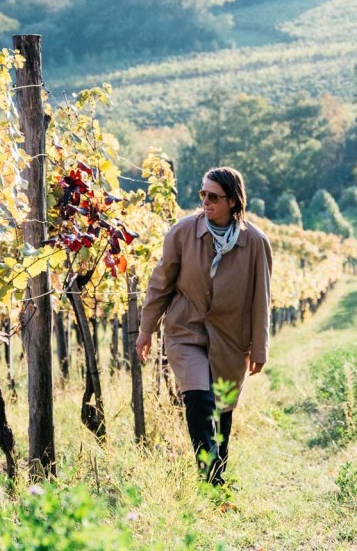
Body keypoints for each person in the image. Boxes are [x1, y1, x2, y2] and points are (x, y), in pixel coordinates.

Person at [135, 166, 273, 486]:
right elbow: (160, 283)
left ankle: (217, 472)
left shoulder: (255, 242)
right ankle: (210, 477)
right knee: (199, 399)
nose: (206, 202)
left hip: (231, 339)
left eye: (213, 197)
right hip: (186, 330)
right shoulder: (183, 232)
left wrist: (259, 349)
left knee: (222, 410)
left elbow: (261, 299)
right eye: (203, 194)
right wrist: (146, 329)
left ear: (233, 202)